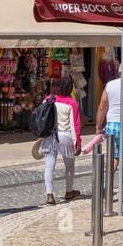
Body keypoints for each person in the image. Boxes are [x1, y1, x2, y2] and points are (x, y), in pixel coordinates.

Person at [40, 75, 82, 205]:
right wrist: (77, 142)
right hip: (65, 135)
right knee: (69, 165)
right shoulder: (72, 104)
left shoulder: (48, 99)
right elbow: (75, 125)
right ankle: (68, 191)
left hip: (50, 135)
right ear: (70, 88)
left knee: (49, 165)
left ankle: (49, 195)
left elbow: (42, 119)